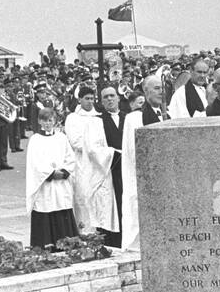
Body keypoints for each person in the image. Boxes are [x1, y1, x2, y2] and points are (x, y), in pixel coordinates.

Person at [120, 70, 169, 250]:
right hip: (144, 178)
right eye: (156, 88)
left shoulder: (169, 115)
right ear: (146, 92)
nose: (161, 92)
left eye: (162, 88)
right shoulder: (135, 118)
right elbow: (134, 151)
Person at [64, 87, 119, 239]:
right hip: (82, 163)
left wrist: (100, 150)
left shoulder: (99, 117)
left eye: (91, 98)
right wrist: (93, 147)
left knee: (101, 198)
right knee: (83, 196)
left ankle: (101, 232)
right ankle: (84, 231)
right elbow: (76, 142)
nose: (89, 101)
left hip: (100, 163)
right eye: (86, 98)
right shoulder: (73, 118)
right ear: (79, 100)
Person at [25, 107, 78, 249]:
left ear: (55, 120)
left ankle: (67, 245)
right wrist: (51, 173)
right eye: (44, 120)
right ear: (39, 121)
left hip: (61, 183)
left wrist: (65, 171)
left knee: (62, 207)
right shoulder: (35, 140)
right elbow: (34, 163)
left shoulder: (61, 137)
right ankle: (46, 246)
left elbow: (70, 157)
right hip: (46, 184)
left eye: (50, 120)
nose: (48, 123)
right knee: (46, 207)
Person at [98, 85, 125, 247]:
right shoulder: (99, 121)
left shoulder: (127, 117)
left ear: (118, 98)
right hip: (111, 168)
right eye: (105, 97)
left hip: (127, 168)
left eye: (112, 96)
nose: (109, 99)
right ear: (101, 102)